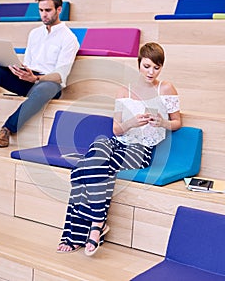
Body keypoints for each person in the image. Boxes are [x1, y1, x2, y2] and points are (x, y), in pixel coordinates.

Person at [56, 42, 182, 256]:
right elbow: (116, 130)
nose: (151, 72)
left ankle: (81, 232)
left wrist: (162, 123)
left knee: (81, 169)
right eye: (147, 66)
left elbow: (177, 122)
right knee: (94, 152)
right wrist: (131, 122)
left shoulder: (166, 88)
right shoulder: (124, 90)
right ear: (139, 64)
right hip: (118, 142)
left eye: (156, 67)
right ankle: (98, 224)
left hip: (141, 150)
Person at [0, 0, 79, 148]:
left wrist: (36, 78)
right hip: (28, 79)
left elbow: (61, 75)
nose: (44, 15)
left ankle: (7, 128)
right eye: (41, 10)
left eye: (48, 10)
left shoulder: (69, 39)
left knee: (44, 88)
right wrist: (18, 70)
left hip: (49, 83)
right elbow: (28, 62)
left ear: (59, 9)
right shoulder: (35, 33)